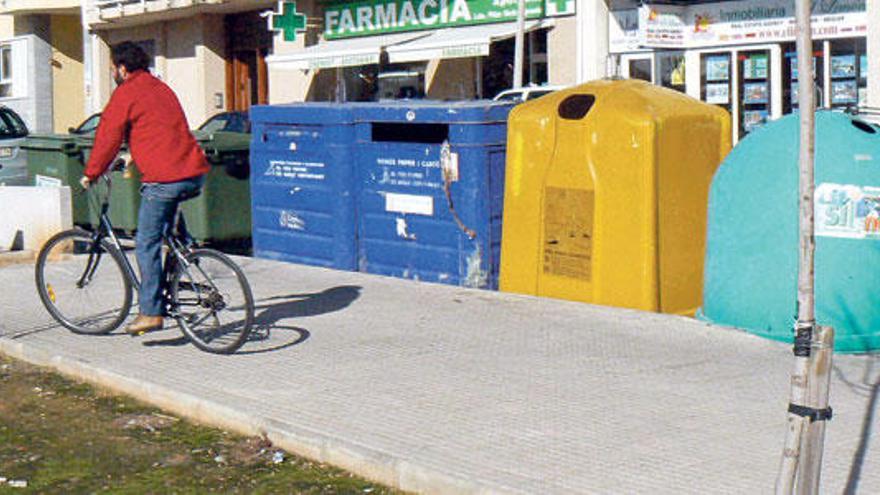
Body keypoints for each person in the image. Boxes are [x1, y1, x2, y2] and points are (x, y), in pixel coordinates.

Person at [81, 41, 209, 335]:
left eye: (112, 67)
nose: (112, 72)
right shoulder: (160, 88)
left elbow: (108, 137)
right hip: (193, 172)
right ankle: (184, 256)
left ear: (122, 69)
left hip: (164, 179)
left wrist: (92, 173)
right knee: (168, 229)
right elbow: (162, 130)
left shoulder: (126, 93)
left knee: (146, 243)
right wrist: (134, 155)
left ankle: (151, 312)